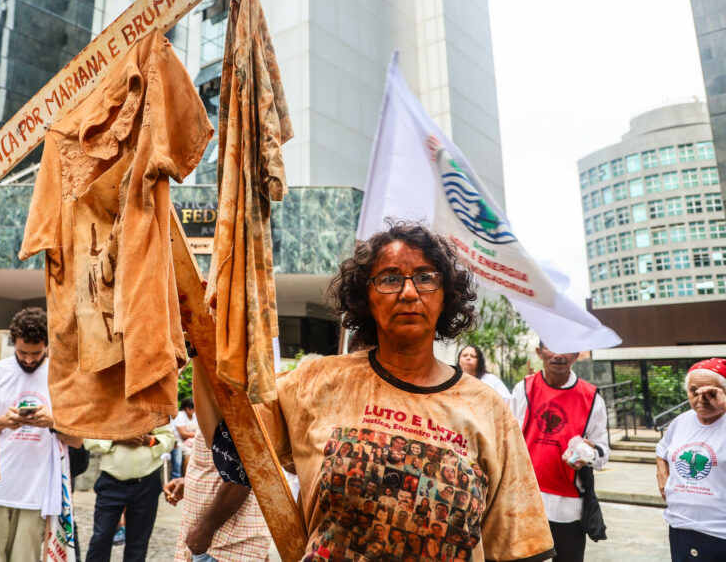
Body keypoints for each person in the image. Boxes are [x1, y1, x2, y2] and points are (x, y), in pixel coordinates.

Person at [193, 221, 554, 562]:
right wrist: (201, 338)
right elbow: (234, 444)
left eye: (426, 278)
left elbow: (518, 546)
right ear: (365, 297)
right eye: (390, 279)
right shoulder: (314, 382)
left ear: (446, 296)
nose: (409, 292)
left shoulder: (488, 408)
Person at [0, 307, 81, 562]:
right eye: (22, 352)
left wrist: (52, 422)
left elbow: (78, 440)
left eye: (36, 353)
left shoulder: (62, 379)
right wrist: (2, 422)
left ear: (48, 345)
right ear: (13, 343)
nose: (28, 360)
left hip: (36, 492)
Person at [511, 343, 609, 562]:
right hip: (525, 501)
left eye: (566, 348)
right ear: (539, 352)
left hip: (569, 507)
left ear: (576, 355)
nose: (557, 355)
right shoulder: (524, 389)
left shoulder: (592, 398)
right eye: (551, 347)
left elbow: (603, 453)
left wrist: (589, 454)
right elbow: (507, 441)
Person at [163, 428, 272, 562]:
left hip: (222, 545)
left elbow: (241, 474)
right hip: (213, 542)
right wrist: (189, 480)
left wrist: (205, 529)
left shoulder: (233, 409)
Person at [655, 358, 726, 561]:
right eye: (694, 391)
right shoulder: (681, 421)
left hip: (719, 532)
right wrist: (662, 476)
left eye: (710, 393)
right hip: (681, 526)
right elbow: (662, 449)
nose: (701, 399)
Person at [84, 424, 176, 562]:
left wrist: (148, 440)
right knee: (100, 539)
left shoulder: (153, 405)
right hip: (111, 481)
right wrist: (118, 439)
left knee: (138, 544)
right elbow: (89, 440)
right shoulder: (105, 405)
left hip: (147, 483)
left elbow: (169, 438)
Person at [171, 397, 198, 479]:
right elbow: (183, 434)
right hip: (179, 442)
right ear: (186, 408)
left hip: (192, 441)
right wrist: (197, 434)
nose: (194, 411)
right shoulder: (180, 415)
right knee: (189, 454)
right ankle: (186, 478)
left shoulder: (195, 415)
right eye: (192, 408)